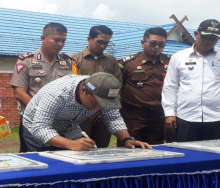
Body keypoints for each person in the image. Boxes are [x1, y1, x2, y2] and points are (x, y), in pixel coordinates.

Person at [23, 72, 151, 151]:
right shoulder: (57, 94)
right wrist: (70, 144)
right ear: (83, 90)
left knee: (83, 158)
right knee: (48, 166)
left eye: (103, 105)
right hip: (36, 126)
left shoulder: (102, 92)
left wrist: (127, 139)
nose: (98, 108)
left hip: (68, 127)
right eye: (95, 103)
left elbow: (113, 118)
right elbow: (40, 127)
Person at [10, 22, 77, 152]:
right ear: (43, 38)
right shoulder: (26, 61)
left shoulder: (67, 62)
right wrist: (43, 111)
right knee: (35, 159)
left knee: (60, 158)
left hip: (59, 121)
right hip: (33, 121)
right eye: (56, 40)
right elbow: (19, 93)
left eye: (63, 41)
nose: (60, 44)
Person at [162, 19, 220, 142]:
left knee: (216, 158)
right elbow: (170, 87)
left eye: (213, 39)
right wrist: (169, 113)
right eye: (205, 37)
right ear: (196, 34)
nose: (209, 42)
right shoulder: (179, 57)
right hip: (186, 117)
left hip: (217, 117)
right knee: (188, 156)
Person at [72, 25, 122, 147]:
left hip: (103, 113)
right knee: (81, 148)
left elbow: (117, 85)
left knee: (101, 149)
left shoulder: (112, 61)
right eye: (99, 42)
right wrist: (89, 108)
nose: (103, 46)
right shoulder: (74, 59)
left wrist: (99, 108)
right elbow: (73, 87)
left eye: (106, 43)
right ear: (89, 39)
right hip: (81, 115)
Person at [119, 27, 170, 145]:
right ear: (143, 43)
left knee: (157, 151)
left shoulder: (170, 62)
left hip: (159, 116)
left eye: (161, 44)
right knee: (129, 151)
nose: (157, 47)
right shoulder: (128, 63)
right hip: (134, 117)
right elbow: (117, 88)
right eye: (153, 43)